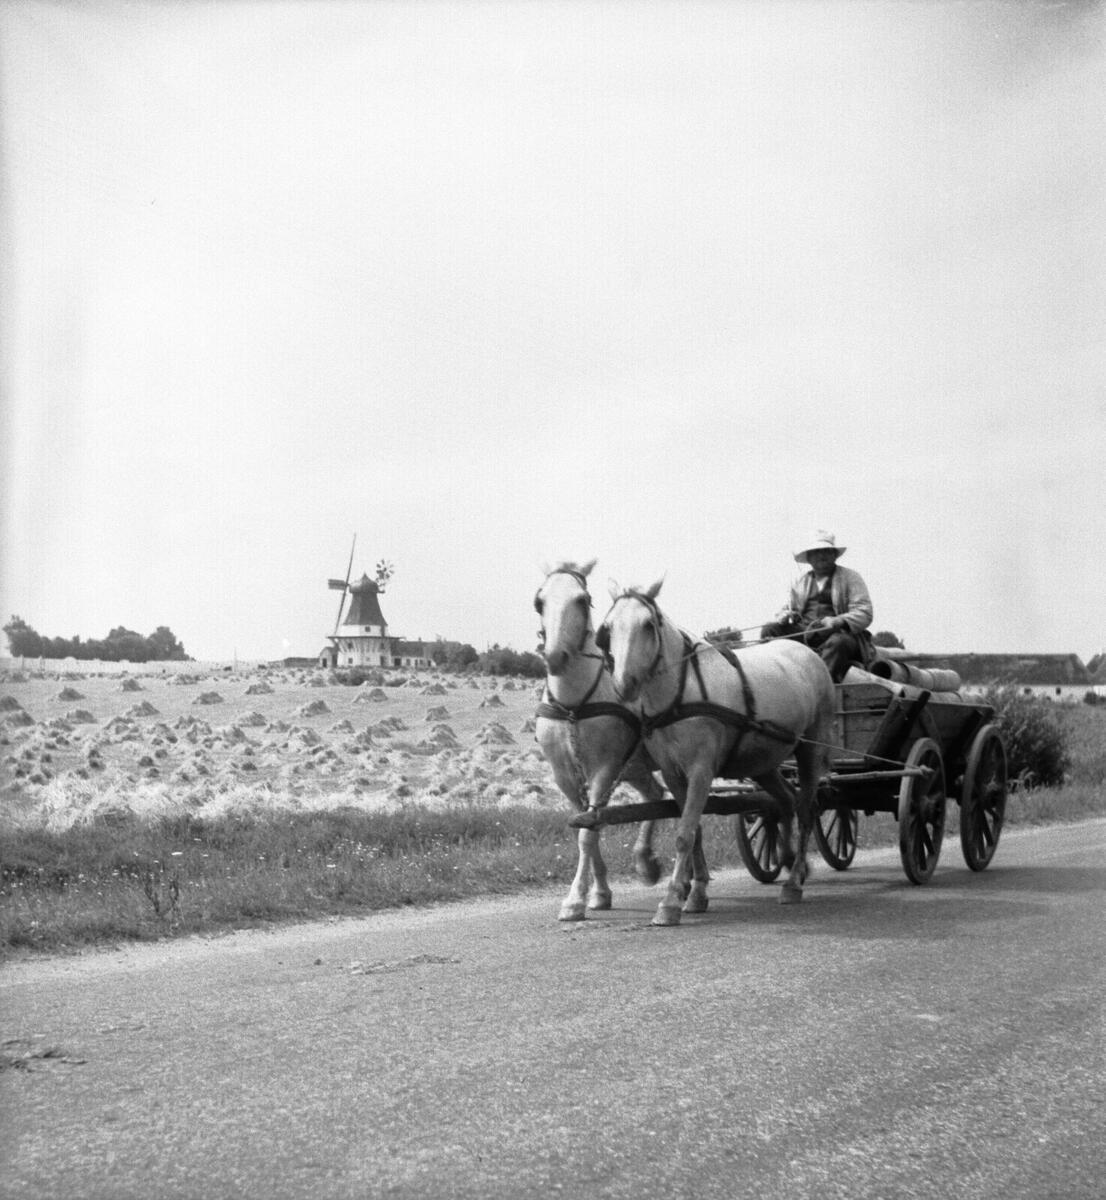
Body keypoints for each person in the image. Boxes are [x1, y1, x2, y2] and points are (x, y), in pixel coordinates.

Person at [761, 531, 873, 683]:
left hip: (839, 634)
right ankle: (771, 680)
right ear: (809, 558)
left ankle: (819, 685)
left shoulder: (851, 577)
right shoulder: (799, 580)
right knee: (769, 630)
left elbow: (865, 611)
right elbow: (786, 608)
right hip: (805, 632)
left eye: (826, 551)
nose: (821, 556)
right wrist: (785, 615)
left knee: (839, 642)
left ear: (834, 555)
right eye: (816, 552)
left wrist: (839, 621)